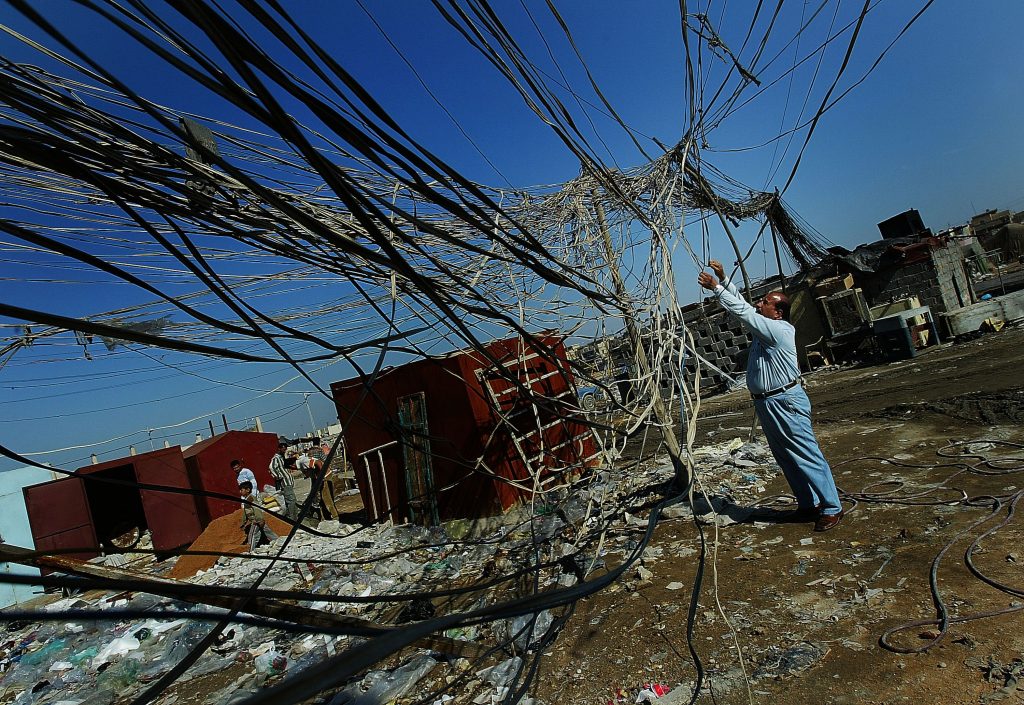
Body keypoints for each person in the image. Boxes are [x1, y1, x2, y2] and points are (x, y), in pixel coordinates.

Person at [697, 259, 844, 531]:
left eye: (765, 302)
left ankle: (832, 507)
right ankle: (807, 505)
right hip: (768, 403)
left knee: (805, 453)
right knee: (785, 455)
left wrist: (717, 288)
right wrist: (724, 278)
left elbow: (744, 313)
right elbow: (745, 306)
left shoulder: (777, 331)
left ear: (777, 312)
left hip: (785, 401)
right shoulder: (766, 329)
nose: (759, 304)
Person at [239, 481, 278, 551]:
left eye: (241, 490)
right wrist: (244, 522)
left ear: (247, 490)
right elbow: (245, 512)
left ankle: (250, 550)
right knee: (268, 532)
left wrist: (260, 519)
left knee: (252, 535)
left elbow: (256, 509)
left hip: (256, 520)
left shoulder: (251, 498)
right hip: (257, 520)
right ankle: (278, 541)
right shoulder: (247, 499)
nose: (240, 492)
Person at [269, 441, 299, 521]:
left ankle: (294, 517)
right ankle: (292, 519)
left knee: (291, 501)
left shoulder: (281, 458)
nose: (284, 451)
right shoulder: (276, 458)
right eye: (283, 449)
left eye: (285, 449)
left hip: (288, 482)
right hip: (285, 483)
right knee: (291, 501)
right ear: (279, 449)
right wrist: (279, 477)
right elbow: (271, 468)